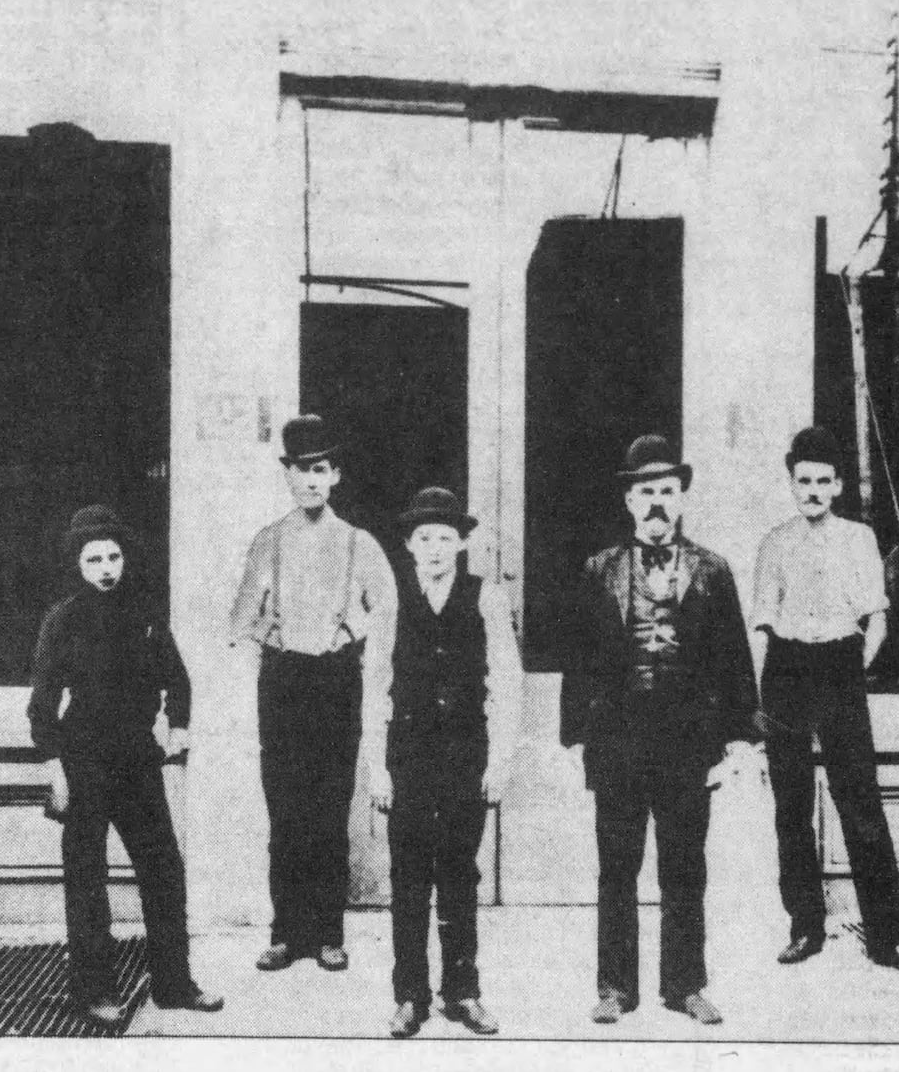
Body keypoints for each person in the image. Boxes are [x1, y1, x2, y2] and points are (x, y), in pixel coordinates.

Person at [560, 435, 759, 1028]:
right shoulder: (599, 570)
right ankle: (616, 987)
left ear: (681, 499)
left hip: (686, 740)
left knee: (685, 867)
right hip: (619, 739)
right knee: (617, 867)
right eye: (645, 491)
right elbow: (581, 661)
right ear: (628, 499)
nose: (657, 503)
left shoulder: (713, 571)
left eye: (667, 492)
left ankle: (685, 985)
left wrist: (739, 738)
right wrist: (575, 739)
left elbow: (734, 658)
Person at [28, 505, 222, 1026]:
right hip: (83, 761)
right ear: (78, 565)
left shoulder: (145, 615)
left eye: (114, 556)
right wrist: (56, 773)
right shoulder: (62, 621)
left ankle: (175, 984)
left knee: (163, 872)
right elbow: (42, 705)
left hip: (137, 761)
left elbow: (177, 681)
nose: (107, 567)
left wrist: (177, 734)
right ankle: (95, 992)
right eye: (95, 559)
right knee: (86, 881)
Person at [751, 426, 899, 982]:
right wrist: (759, 694)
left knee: (861, 806)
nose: (813, 490)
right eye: (803, 480)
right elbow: (762, 623)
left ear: (838, 485)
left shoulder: (858, 538)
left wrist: (854, 668)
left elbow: (876, 617)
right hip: (786, 670)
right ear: (791, 483)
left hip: (838, 671)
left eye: (823, 481)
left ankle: (889, 938)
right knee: (791, 807)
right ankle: (806, 926)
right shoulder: (775, 542)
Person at [229, 415, 398, 972]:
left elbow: (389, 612)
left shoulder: (359, 543)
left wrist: (351, 634)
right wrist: (274, 635)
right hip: (282, 685)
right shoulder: (268, 542)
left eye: (319, 471)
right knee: (285, 811)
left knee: (328, 809)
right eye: (300, 472)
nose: (309, 482)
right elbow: (241, 619)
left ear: (336, 475)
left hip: (335, 682)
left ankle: (328, 932)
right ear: (287, 476)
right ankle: (285, 931)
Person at [366, 487, 522, 1039]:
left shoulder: (486, 597)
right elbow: (376, 685)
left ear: (461, 544)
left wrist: (499, 761)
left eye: (446, 538)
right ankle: (410, 996)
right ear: (408, 544)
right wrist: (377, 768)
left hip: (464, 755)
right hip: (406, 755)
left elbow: (505, 680)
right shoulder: (391, 598)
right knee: (409, 876)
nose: (435, 548)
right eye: (424, 538)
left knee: (459, 872)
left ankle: (464, 992)